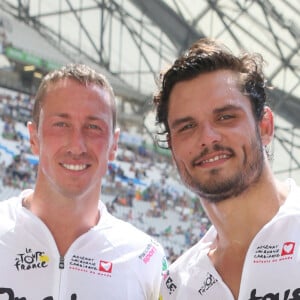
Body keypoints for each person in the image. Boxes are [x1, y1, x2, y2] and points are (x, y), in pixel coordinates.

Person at [0, 64, 166, 299]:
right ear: (34, 137)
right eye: (61, 124)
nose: (77, 145)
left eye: (93, 127)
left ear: (114, 144)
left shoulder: (145, 258)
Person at [153, 38, 300, 299]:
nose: (207, 137)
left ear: (265, 126)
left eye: (225, 117)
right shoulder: (177, 285)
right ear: (172, 148)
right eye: (187, 126)